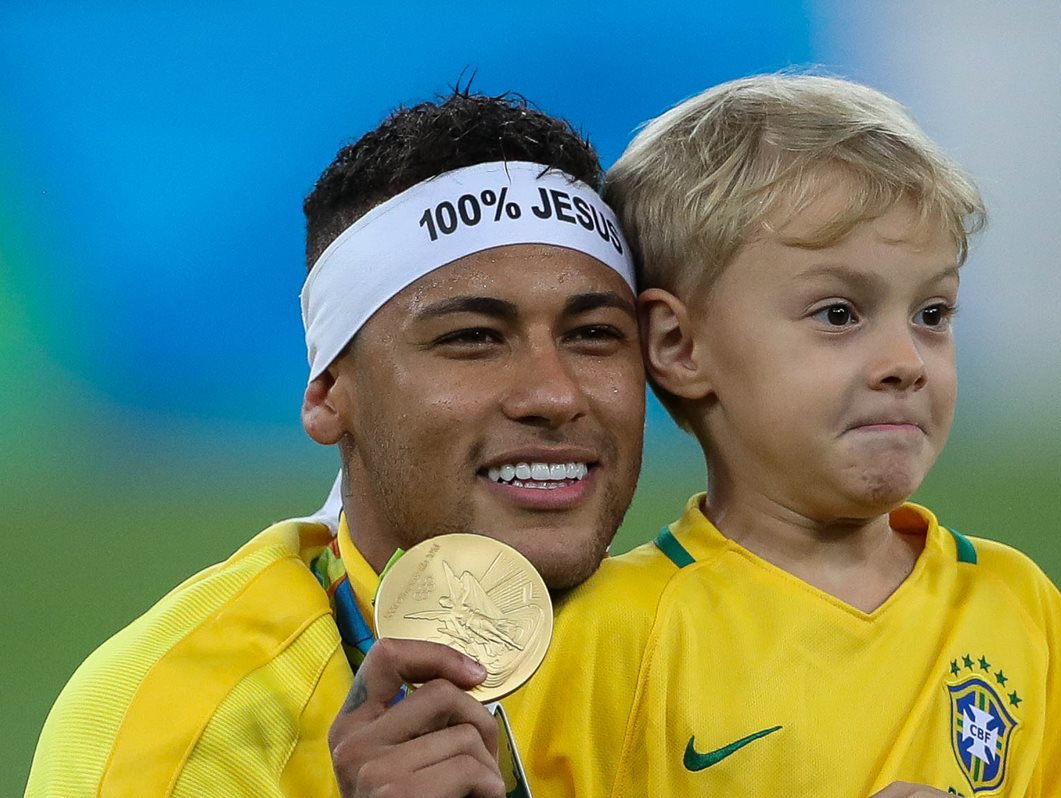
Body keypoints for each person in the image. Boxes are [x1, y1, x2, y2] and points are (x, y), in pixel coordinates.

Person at [503, 74, 1061, 797]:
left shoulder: (1015, 604)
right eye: (839, 314)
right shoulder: (610, 636)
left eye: (933, 314)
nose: (905, 363)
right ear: (679, 345)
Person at [24, 89, 646, 798]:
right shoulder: (187, 731)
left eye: (594, 335)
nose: (555, 395)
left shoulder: (727, 643)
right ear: (327, 396)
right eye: (472, 339)